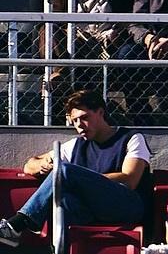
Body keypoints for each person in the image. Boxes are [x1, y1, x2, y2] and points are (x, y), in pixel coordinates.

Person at [0, 86, 151, 243]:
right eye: (74, 121)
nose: (79, 125)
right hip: (90, 209)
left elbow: (129, 179)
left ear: (100, 112)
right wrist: (43, 164)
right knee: (63, 201)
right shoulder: (76, 145)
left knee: (65, 171)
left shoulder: (131, 138)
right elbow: (29, 165)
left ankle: (19, 223)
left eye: (84, 117)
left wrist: (81, 181)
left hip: (126, 207)